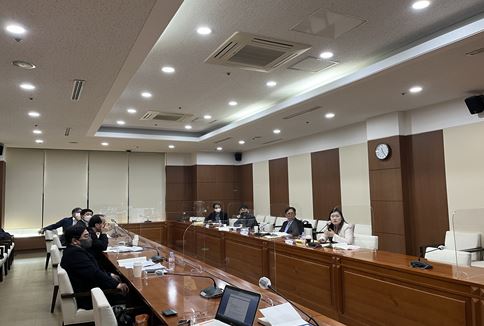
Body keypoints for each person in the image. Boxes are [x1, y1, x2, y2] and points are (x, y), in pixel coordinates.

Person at [60, 224, 129, 310]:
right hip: (90, 297)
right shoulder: (75, 254)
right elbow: (94, 274)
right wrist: (116, 284)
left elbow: (93, 269)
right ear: (75, 240)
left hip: (89, 288)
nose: (90, 238)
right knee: (132, 293)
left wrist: (109, 274)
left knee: (119, 278)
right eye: (86, 236)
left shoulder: (74, 250)